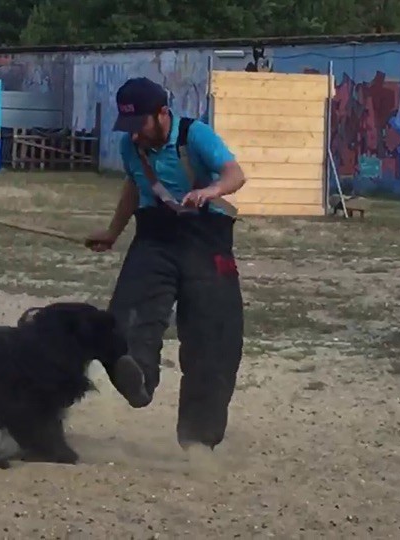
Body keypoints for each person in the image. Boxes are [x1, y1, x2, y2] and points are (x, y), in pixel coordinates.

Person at [85, 77, 247, 451]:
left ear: (162, 114)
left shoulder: (196, 135)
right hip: (155, 237)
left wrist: (210, 191)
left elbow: (235, 174)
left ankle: (198, 439)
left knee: (214, 335)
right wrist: (112, 233)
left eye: (140, 124)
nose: (135, 135)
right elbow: (134, 186)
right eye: (129, 127)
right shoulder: (132, 145)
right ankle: (137, 377)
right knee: (127, 313)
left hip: (207, 239)